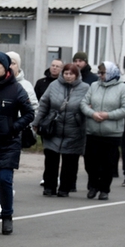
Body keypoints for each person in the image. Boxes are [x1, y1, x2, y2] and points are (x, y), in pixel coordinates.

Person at [0, 52, 35, 235]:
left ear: (5, 66)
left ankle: (7, 217)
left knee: (4, 179)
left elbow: (29, 114)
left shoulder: (16, 89)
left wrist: (13, 127)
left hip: (8, 143)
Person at [34, 63, 89, 196]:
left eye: (71, 74)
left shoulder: (85, 88)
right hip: (54, 128)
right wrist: (36, 122)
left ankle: (65, 188)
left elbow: (88, 106)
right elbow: (44, 104)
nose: (68, 76)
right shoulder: (54, 86)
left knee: (70, 162)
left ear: (77, 75)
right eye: (66, 73)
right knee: (51, 160)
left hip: (74, 130)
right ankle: (49, 187)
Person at [80, 61, 125, 200]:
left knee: (107, 163)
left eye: (103, 73)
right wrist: (92, 113)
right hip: (93, 130)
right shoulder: (94, 86)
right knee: (90, 162)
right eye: (99, 72)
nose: (100, 75)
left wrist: (108, 115)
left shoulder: (123, 88)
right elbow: (84, 103)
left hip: (112, 133)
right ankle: (93, 185)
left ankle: (104, 189)